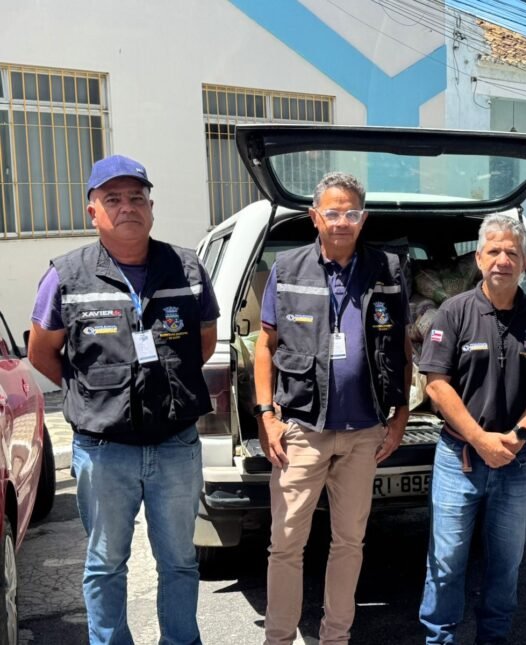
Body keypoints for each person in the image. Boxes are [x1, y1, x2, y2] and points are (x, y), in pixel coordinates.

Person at [28, 154, 219, 644]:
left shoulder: (187, 268)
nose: (127, 206)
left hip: (175, 444)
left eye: (137, 197)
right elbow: (42, 352)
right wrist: (91, 394)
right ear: (92, 211)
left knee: (179, 561)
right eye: (113, 198)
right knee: (105, 564)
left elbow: (204, 341)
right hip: (103, 449)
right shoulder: (65, 275)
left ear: (151, 207)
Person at [254, 171, 412, 645]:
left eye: (351, 213)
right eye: (333, 212)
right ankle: (279, 639)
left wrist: (400, 416)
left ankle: (335, 638)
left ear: (363, 219)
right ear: (314, 217)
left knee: (349, 542)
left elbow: (402, 347)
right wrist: (266, 416)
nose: (342, 221)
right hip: (302, 429)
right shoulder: (288, 268)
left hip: (364, 433)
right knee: (286, 544)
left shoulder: (387, 269)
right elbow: (265, 345)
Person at [418, 214, 526, 645]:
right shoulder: (454, 311)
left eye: (512, 253)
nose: (503, 260)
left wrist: (518, 436)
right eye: (494, 251)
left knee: (506, 564)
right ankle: (439, 639)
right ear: (479, 259)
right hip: (459, 459)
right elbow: (436, 383)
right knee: (446, 561)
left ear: (524, 263)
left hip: (515, 460)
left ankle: (494, 639)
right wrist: (480, 439)